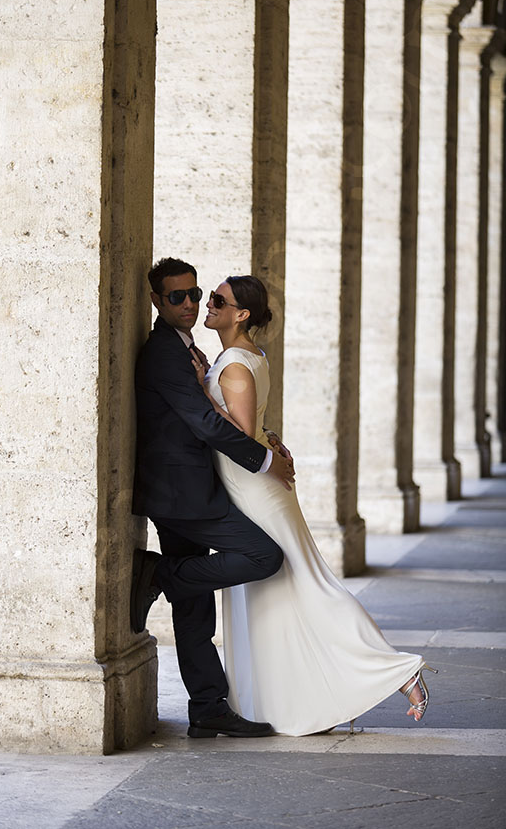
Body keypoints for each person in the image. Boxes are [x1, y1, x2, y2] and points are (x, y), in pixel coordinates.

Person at [191, 274, 437, 735]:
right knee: (271, 592)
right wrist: (274, 440)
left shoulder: (235, 365)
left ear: (241, 314)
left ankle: (398, 670)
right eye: (210, 297)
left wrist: (205, 398)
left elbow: (241, 438)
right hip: (251, 484)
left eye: (217, 300)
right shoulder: (245, 356)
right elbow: (259, 426)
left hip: (253, 489)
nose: (208, 304)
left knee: (308, 582)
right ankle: (294, 698)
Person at [130, 257, 296, 739]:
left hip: (186, 489)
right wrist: (264, 461)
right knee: (263, 555)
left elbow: (212, 410)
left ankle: (206, 707)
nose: (190, 303)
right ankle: (161, 572)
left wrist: (265, 437)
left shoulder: (188, 347)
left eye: (196, 294)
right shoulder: (164, 350)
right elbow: (203, 423)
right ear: (158, 301)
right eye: (177, 297)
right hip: (182, 494)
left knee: (195, 601)